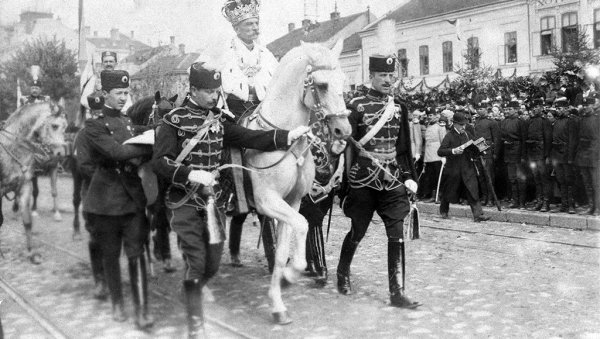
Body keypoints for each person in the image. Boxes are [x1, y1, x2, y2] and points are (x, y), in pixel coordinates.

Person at [152, 62, 309, 338]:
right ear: (194, 90)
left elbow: (253, 137)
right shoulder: (172, 121)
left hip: (213, 204)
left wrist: (287, 135)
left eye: (217, 91)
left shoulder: (219, 122)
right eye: (209, 91)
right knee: (197, 262)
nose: (215, 96)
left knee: (212, 264)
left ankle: (191, 290)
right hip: (184, 203)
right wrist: (190, 174)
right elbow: (160, 162)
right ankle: (196, 324)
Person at [337, 55, 420, 309]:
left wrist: (408, 177)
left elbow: (403, 147)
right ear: (370, 76)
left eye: (391, 76)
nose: (387, 80)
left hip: (392, 177)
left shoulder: (399, 108)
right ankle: (342, 272)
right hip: (363, 179)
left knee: (396, 234)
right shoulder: (354, 106)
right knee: (358, 231)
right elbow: (344, 148)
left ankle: (398, 292)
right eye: (382, 75)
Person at [83, 70, 154, 329]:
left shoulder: (128, 123)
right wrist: (149, 145)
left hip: (133, 198)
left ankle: (142, 309)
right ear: (105, 94)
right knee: (110, 256)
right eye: (119, 93)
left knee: (137, 255)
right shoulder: (94, 125)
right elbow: (117, 152)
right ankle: (117, 303)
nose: (124, 97)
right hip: (105, 201)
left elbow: (136, 143)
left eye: (126, 93)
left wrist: (154, 137)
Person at [220, 0, 279, 270]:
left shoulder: (266, 54)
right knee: (236, 171)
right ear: (237, 27)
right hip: (235, 113)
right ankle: (233, 197)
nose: (254, 28)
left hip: (263, 111)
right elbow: (222, 85)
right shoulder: (226, 53)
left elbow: (276, 82)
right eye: (248, 24)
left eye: (256, 23)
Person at [74, 95, 109, 301]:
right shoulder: (83, 135)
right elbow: (84, 166)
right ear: (89, 113)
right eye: (94, 112)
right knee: (96, 237)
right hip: (93, 193)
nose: (97, 116)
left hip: (116, 192)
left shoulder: (111, 131)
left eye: (100, 112)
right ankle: (100, 279)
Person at [438, 112, 491, 222]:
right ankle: (444, 210)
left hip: (467, 168)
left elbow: (475, 144)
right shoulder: (449, 136)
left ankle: (478, 215)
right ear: (454, 124)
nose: (463, 127)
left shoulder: (467, 134)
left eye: (465, 125)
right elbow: (440, 151)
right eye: (461, 125)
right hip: (454, 169)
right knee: (449, 191)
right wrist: (453, 151)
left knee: (473, 190)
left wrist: (483, 148)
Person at [524, 97, 553, 212]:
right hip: (532, 154)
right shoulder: (529, 121)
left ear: (541, 108)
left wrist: (546, 156)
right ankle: (539, 200)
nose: (535, 109)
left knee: (544, 178)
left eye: (537, 107)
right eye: (533, 107)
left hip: (541, 154)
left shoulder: (545, 121)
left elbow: (548, 139)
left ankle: (546, 202)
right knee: (536, 178)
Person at [550, 97, 577, 213]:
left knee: (569, 180)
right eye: (556, 108)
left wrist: (570, 157)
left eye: (560, 108)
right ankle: (564, 204)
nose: (558, 110)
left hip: (566, 154)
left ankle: (571, 205)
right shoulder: (556, 121)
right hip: (556, 155)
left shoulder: (571, 121)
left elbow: (573, 140)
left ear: (566, 109)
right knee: (560, 180)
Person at [574, 95, 600, 215]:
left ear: (593, 105)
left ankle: (598, 208)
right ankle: (591, 206)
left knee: (596, 184)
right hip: (583, 154)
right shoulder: (581, 119)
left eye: (587, 105)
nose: (585, 107)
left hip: (594, 154)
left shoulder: (598, 119)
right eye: (583, 105)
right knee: (587, 183)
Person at [499, 100, 527, 209]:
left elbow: (524, 139)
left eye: (510, 109)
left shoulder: (521, 122)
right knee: (512, 178)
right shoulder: (504, 122)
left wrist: (523, 155)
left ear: (516, 110)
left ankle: (522, 202)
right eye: (507, 109)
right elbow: (501, 136)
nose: (508, 111)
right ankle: (515, 201)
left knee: (520, 178)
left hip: (518, 150)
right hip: (508, 151)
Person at [473, 102, 500, 207]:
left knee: (489, 176)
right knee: (481, 177)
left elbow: (496, 139)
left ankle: (491, 199)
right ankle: (484, 197)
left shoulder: (492, 122)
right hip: (477, 151)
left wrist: (495, 153)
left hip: (487, 152)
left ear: (486, 109)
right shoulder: (475, 121)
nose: (479, 111)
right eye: (478, 109)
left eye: (481, 109)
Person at [421, 107, 446, 202]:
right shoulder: (428, 126)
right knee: (430, 177)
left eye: (431, 115)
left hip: (437, 155)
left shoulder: (440, 126)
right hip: (428, 156)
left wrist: (444, 156)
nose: (429, 117)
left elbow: (443, 141)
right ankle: (432, 195)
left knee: (438, 176)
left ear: (435, 115)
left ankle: (439, 196)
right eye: (428, 115)